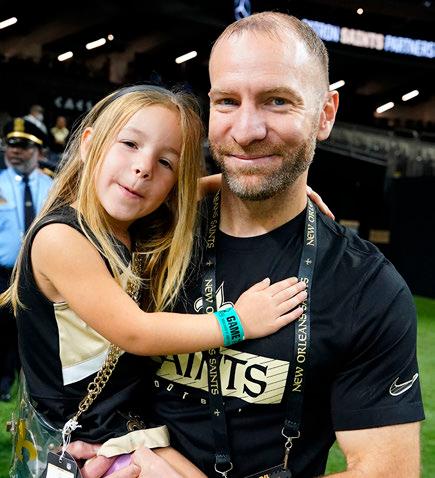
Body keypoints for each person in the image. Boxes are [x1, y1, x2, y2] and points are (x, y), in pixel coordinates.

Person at [145, 12, 424, 478]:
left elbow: (388, 471)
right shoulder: (146, 233)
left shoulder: (366, 287)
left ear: (325, 114)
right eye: (227, 101)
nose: (246, 131)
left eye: (277, 101)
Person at [0, 84, 308, 477]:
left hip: (125, 431)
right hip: (86, 444)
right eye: (129, 144)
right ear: (89, 144)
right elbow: (137, 332)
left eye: (166, 162)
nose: (144, 167)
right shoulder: (62, 238)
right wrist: (239, 322)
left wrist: (287, 193)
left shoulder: (133, 227)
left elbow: (183, 195)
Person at [0, 117, 52, 402]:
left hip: (39, 275)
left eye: (23, 146)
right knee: (2, 329)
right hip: (3, 274)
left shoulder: (54, 186)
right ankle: (3, 383)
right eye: (11, 145)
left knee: (34, 330)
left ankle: (32, 387)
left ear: (39, 151)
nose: (16, 151)